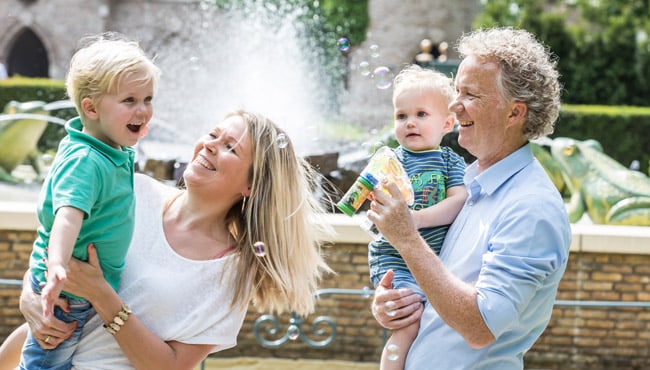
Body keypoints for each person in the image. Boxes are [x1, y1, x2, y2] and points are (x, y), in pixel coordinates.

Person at [0, 110, 334, 370]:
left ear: (252, 185)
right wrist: (29, 293)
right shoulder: (131, 191)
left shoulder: (232, 274)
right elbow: (55, 243)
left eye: (230, 147)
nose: (211, 145)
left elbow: (171, 367)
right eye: (214, 134)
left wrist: (102, 296)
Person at [367, 27, 571, 369]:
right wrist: (395, 304)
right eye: (456, 90)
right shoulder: (470, 185)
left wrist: (407, 239)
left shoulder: (531, 207)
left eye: (470, 94)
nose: (452, 104)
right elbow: (440, 291)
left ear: (514, 113)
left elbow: (479, 326)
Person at [19, 33, 160, 370]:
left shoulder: (110, 149)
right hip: (67, 288)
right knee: (45, 363)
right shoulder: (87, 159)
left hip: (76, 286)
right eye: (129, 100)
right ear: (91, 108)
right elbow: (67, 217)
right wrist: (56, 265)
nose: (143, 110)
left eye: (148, 99)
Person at [368, 64, 466, 370]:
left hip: (430, 258)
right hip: (394, 258)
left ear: (448, 122)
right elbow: (370, 204)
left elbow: (458, 200)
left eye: (421, 114)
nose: (410, 123)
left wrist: (417, 220)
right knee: (408, 322)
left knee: (429, 323)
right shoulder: (390, 159)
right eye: (401, 116)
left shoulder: (450, 160)